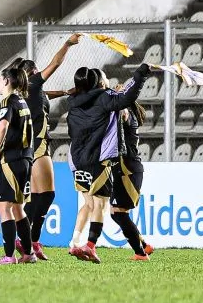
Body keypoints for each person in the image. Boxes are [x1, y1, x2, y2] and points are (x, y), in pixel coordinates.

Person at [66, 63, 151, 264]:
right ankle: (141, 248)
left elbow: (122, 107)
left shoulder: (82, 104)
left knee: (111, 210)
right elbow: (119, 102)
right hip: (112, 163)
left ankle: (139, 250)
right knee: (107, 208)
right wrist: (121, 90)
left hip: (121, 166)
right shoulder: (109, 103)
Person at [9, 34, 80, 260]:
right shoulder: (33, 83)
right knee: (47, 195)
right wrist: (67, 44)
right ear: (31, 72)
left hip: (33, 144)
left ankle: (28, 240)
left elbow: (45, 94)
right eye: (37, 70)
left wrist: (64, 93)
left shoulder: (27, 90)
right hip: (37, 144)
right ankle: (30, 239)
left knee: (38, 196)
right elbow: (56, 63)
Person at [0, 64, 35, 266]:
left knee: (4, 207)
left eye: (0, 79)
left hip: (12, 159)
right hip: (26, 158)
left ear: (7, 81)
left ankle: (9, 255)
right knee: (18, 208)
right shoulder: (22, 101)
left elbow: (3, 126)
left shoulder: (8, 101)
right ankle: (28, 253)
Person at [109, 96, 152, 260]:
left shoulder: (126, 112)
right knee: (116, 212)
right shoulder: (128, 114)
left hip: (127, 170)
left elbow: (123, 113)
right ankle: (144, 245)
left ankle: (140, 253)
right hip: (124, 168)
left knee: (118, 213)